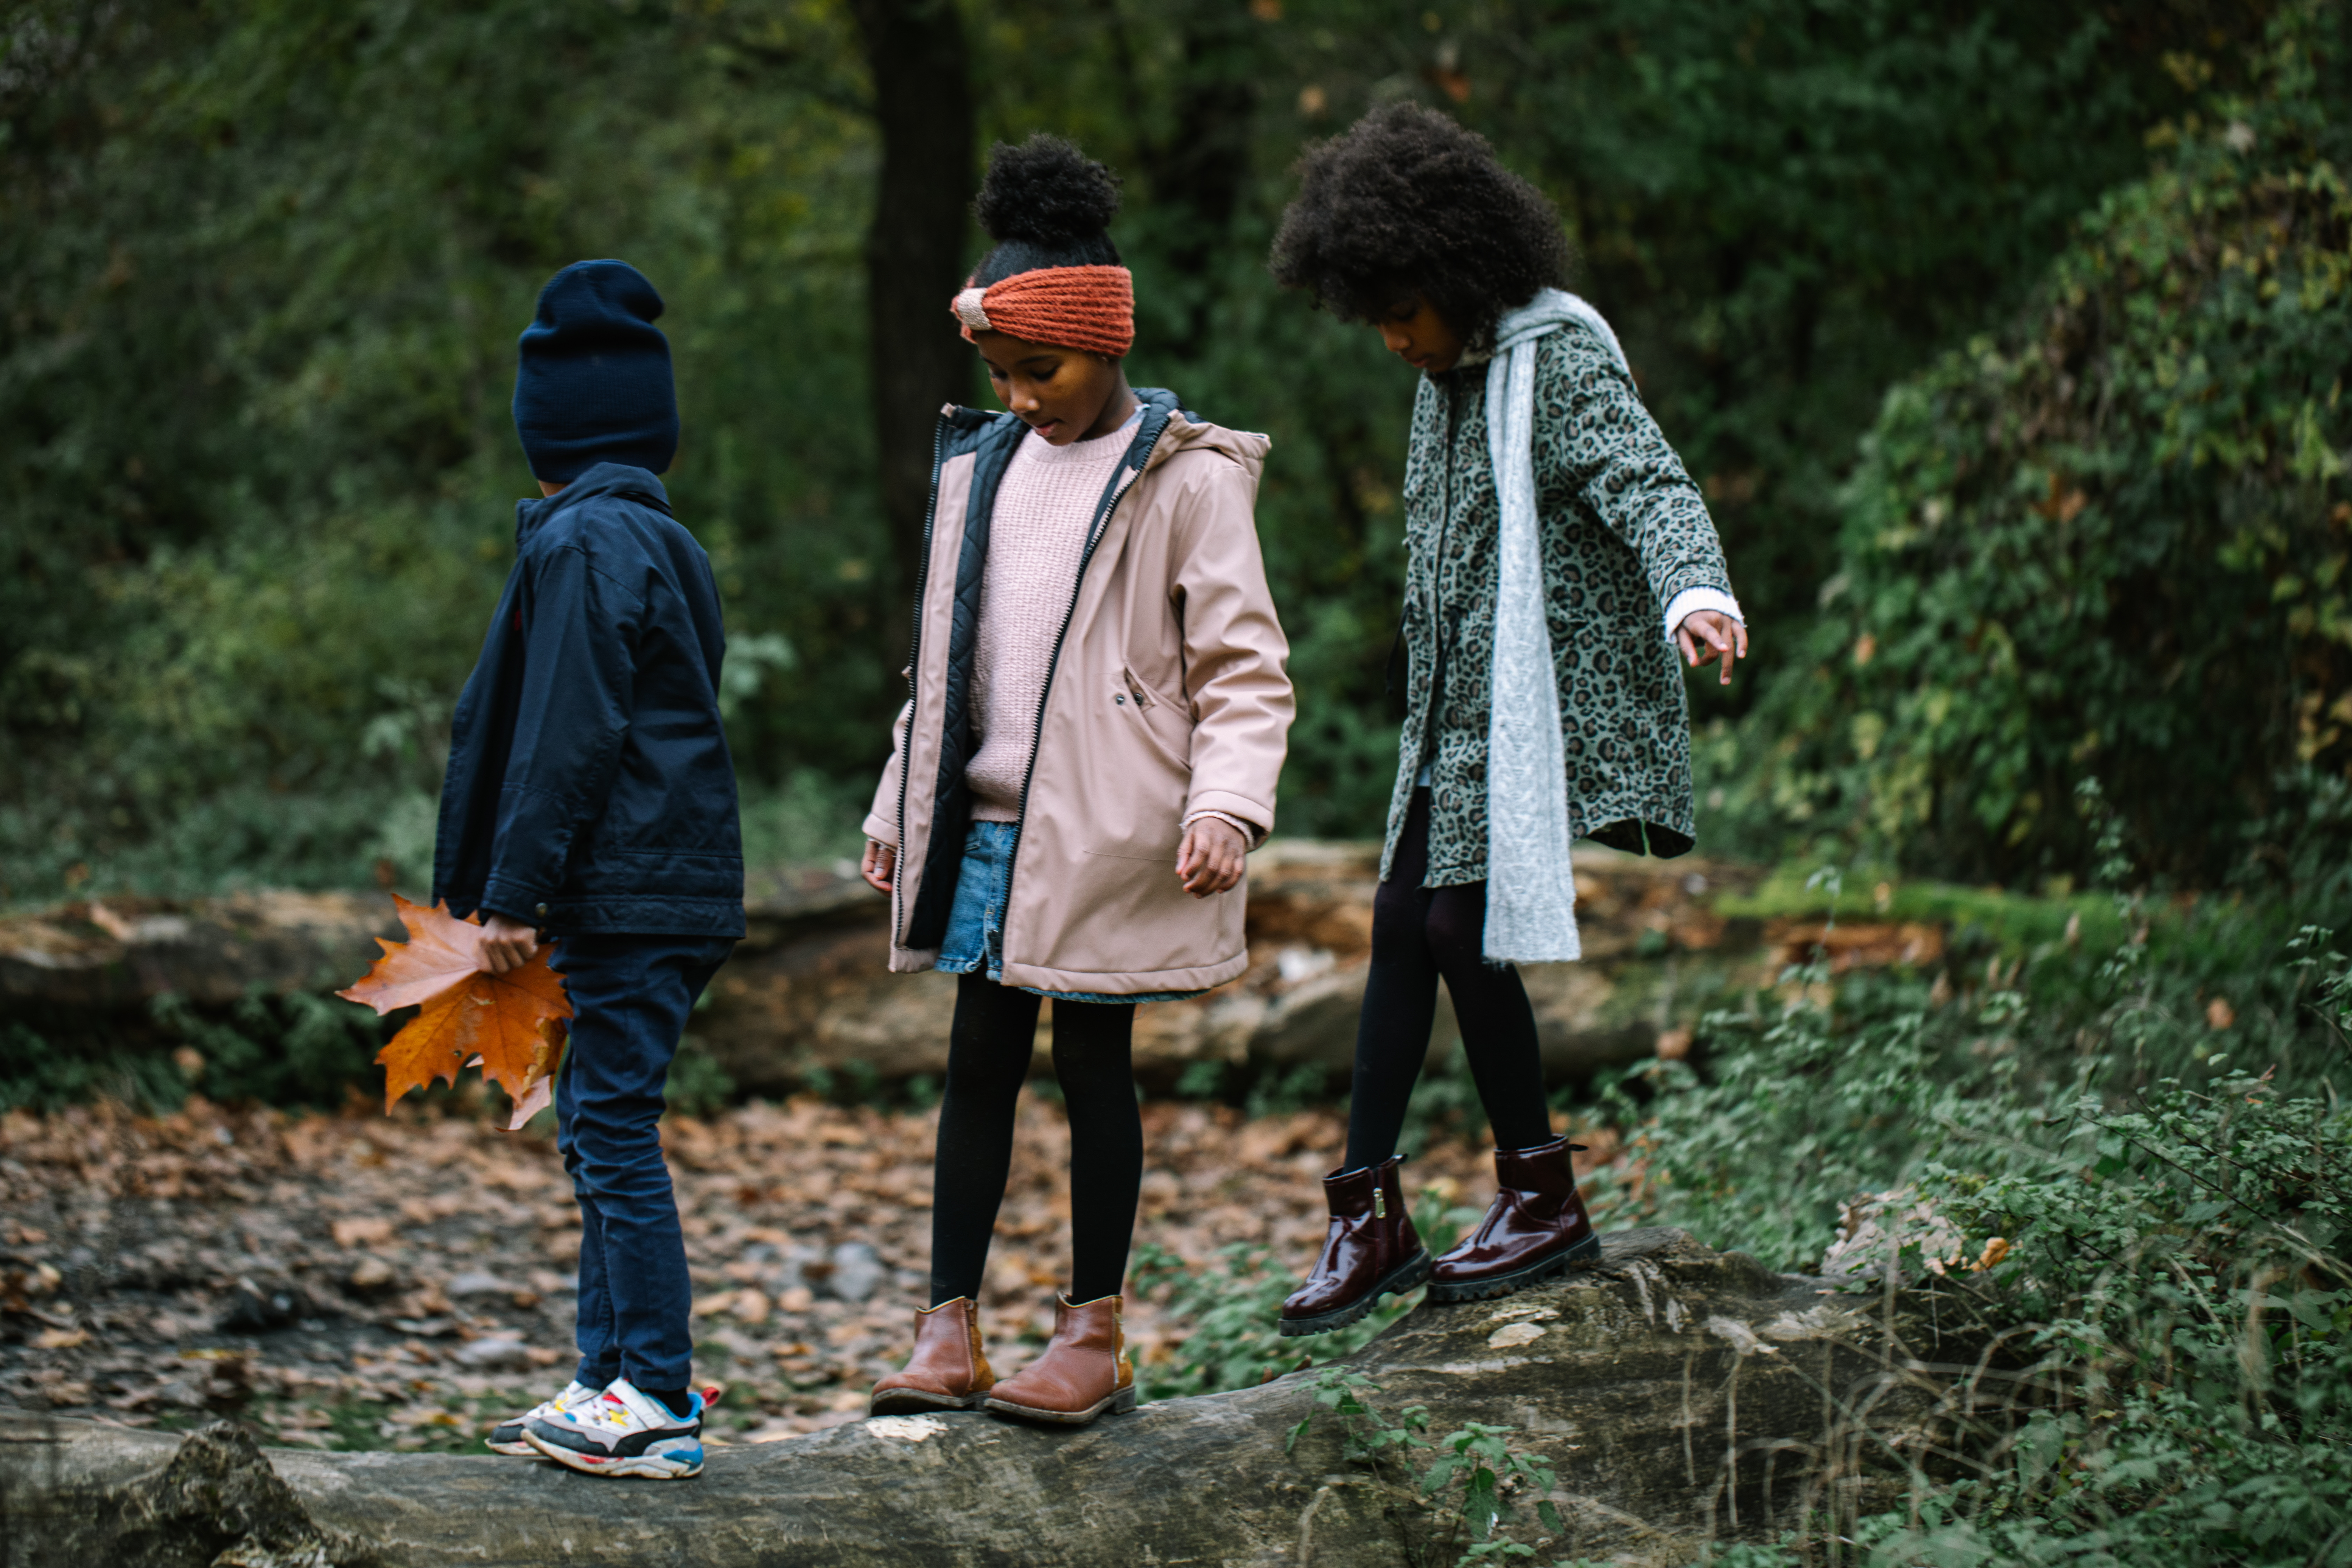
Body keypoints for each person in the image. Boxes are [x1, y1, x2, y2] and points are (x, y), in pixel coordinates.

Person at [1265, 105, 1751, 1336]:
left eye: (1401, 312)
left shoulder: (1555, 356)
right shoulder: (1448, 369)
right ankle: (1369, 1213)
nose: (1390, 339)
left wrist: (1696, 587)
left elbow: (1646, 478)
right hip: (1449, 710)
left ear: (1459, 271)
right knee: (1396, 916)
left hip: (1534, 696)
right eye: (1369, 316)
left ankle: (1541, 1193)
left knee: (1452, 919)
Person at [859, 135, 1293, 1426]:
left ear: (1106, 345)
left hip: (1110, 831)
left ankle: (1091, 1333)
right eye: (1000, 373)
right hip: (982, 824)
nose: (1022, 395)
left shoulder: (1188, 480)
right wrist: (899, 799)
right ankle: (948, 1329)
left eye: (1038, 369)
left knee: (1094, 1068)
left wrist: (1227, 801)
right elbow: (942, 659)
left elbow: (1244, 663)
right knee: (976, 1064)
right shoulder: (980, 467)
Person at [434, 259, 744, 1477]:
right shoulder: (656, 536)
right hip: (655, 880)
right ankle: (605, 1380)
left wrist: (516, 891)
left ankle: (654, 1392)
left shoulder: (585, 544)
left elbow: (569, 729)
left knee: (612, 1124)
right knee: (597, 1126)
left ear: (542, 433)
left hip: (629, 885)